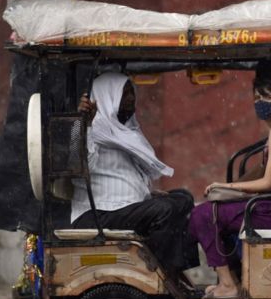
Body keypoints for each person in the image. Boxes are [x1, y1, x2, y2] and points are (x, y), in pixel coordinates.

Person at [189, 68, 271, 299]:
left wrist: (227, 187)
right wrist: (228, 189)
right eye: (257, 97)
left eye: (267, 98)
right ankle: (235, 278)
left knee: (201, 215)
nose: (260, 102)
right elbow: (261, 173)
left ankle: (228, 284)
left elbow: (268, 183)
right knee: (213, 213)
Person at [72, 72, 198, 274]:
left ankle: (177, 271)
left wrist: (148, 195)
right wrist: (85, 124)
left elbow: (126, 174)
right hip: (98, 213)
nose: (131, 98)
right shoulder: (89, 129)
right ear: (107, 97)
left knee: (183, 199)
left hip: (122, 207)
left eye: (132, 93)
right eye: (124, 94)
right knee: (165, 210)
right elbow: (83, 165)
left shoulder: (122, 131)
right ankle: (159, 271)